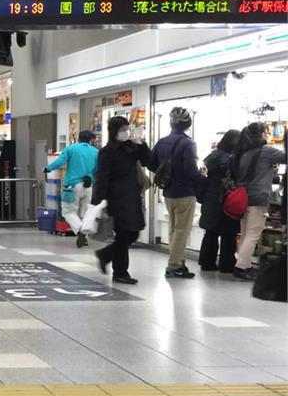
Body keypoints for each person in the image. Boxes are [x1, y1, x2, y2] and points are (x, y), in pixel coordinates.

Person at [91, 116, 151, 285]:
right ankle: (120, 272)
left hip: (132, 196)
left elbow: (149, 161)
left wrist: (142, 144)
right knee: (124, 233)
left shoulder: (132, 148)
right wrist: (99, 202)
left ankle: (106, 255)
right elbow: (102, 177)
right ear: (114, 131)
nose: (125, 132)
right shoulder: (107, 151)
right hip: (116, 199)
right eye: (122, 129)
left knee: (133, 232)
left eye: (127, 128)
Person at [149, 106, 204, 278]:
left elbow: (151, 164)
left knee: (174, 229)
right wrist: (204, 179)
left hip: (168, 193)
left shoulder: (162, 141)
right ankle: (173, 267)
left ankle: (179, 262)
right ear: (188, 124)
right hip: (185, 192)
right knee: (182, 230)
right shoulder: (188, 143)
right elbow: (191, 171)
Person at [230, 122, 287, 281]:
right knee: (253, 235)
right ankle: (241, 267)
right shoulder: (266, 151)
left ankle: (244, 265)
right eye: (266, 131)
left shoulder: (243, 153)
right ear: (261, 134)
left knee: (246, 233)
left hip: (243, 199)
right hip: (258, 199)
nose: (268, 134)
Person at [45, 130, 99, 248]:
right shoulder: (96, 152)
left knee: (68, 212)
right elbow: (98, 170)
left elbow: (59, 161)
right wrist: (91, 178)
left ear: (79, 138)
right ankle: (84, 238)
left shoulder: (71, 149)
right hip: (88, 186)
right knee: (83, 213)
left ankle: (80, 231)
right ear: (91, 140)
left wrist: (48, 168)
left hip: (72, 186)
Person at [198, 129, 241, 274]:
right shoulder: (230, 159)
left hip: (210, 198)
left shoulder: (212, 156)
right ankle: (227, 264)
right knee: (228, 234)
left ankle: (206, 262)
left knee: (211, 232)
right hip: (225, 199)